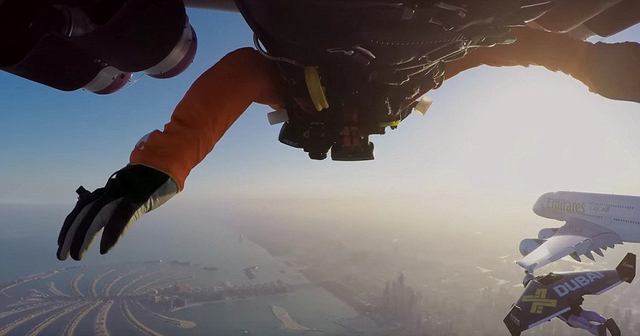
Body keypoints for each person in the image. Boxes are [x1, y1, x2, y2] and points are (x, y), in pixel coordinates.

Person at [56, 22, 640, 261]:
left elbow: (236, 76)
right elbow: (514, 44)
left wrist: (153, 173)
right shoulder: (421, 71)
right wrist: (597, 65)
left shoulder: (293, 80)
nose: (354, 126)